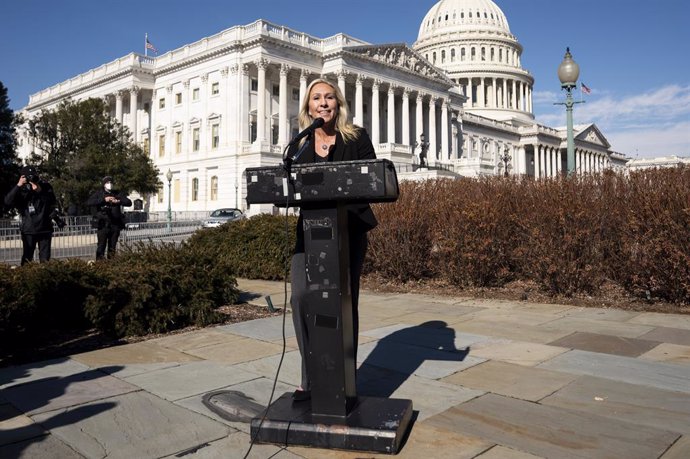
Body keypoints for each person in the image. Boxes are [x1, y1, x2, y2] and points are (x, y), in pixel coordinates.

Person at [288, 78, 378, 402]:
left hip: (347, 231)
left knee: (343, 304)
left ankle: (345, 382)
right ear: (308, 107)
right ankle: (309, 378)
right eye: (316, 98)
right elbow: (292, 189)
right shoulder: (299, 146)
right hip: (309, 233)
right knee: (300, 297)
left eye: (329, 97)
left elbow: (372, 179)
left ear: (338, 104)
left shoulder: (356, 138)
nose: (323, 103)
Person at [3, 165, 64, 265]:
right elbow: (7, 201)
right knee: (27, 257)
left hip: (45, 228)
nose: (32, 179)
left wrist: (39, 191)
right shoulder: (21, 189)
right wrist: (18, 185)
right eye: (29, 177)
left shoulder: (45, 186)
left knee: (45, 259)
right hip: (29, 229)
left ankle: (44, 278)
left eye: (33, 176)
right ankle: (25, 278)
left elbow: (51, 202)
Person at [86, 176, 132, 260]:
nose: (109, 184)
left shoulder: (117, 193)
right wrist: (104, 200)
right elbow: (89, 202)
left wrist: (118, 201)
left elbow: (128, 202)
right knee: (101, 246)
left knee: (112, 247)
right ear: (104, 184)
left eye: (111, 182)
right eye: (107, 183)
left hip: (115, 225)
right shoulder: (99, 194)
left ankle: (111, 266)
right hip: (103, 224)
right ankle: (100, 266)